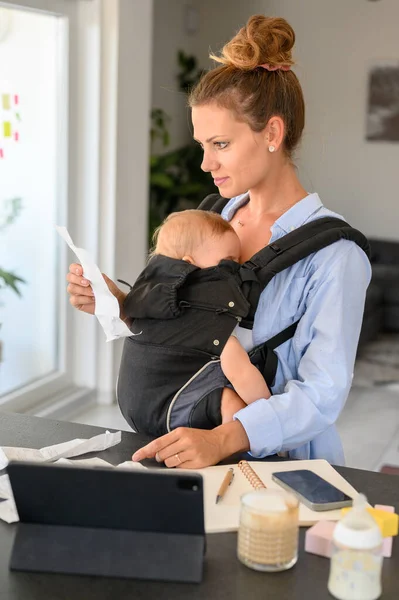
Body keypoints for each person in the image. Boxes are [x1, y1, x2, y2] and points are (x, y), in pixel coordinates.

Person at [67, 15, 371, 470]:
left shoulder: (335, 255)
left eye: (221, 144)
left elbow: (322, 394)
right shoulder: (212, 217)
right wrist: (121, 301)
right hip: (178, 445)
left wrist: (224, 438)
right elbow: (183, 326)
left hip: (278, 467)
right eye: (202, 145)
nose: (206, 162)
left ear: (271, 133)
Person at [117, 208, 271, 433]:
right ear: (189, 265)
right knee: (231, 401)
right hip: (173, 409)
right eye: (229, 263)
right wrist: (269, 415)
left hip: (132, 405)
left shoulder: (148, 296)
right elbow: (241, 372)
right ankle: (234, 454)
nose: (237, 270)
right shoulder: (206, 309)